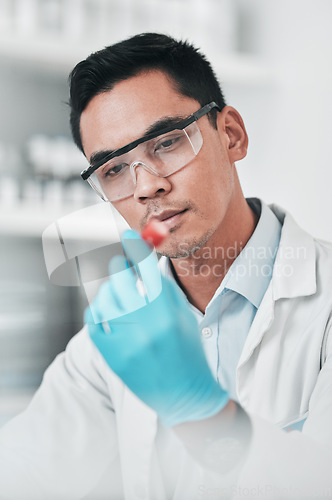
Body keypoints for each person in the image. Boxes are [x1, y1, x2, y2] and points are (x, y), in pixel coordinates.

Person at [1, 32, 332, 500]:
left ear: (231, 135)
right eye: (114, 170)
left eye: (166, 142)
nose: (146, 187)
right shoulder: (114, 338)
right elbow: (23, 470)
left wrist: (204, 414)